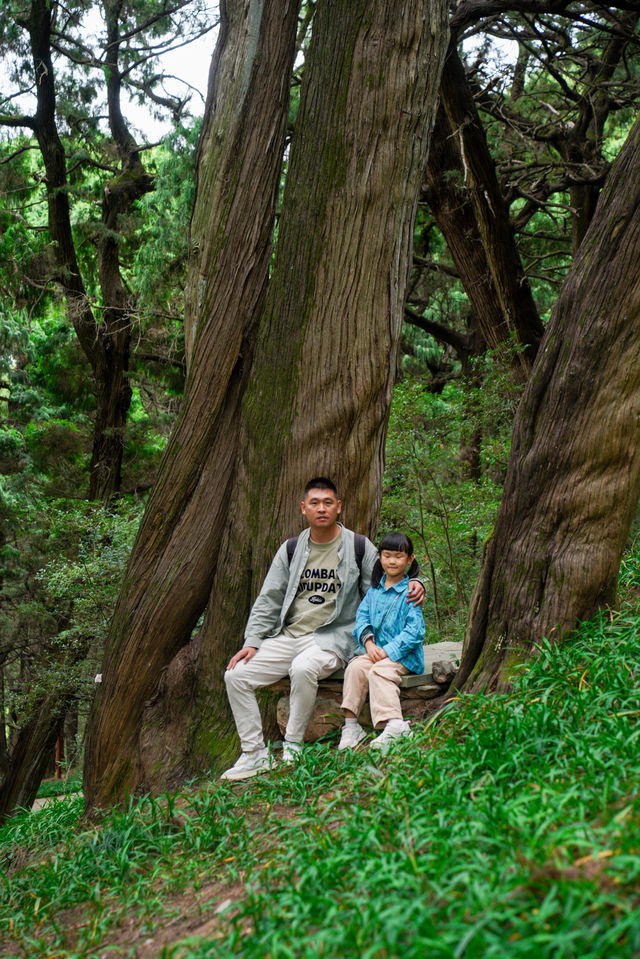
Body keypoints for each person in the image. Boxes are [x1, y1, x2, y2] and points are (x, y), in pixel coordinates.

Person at [221, 478, 424, 781]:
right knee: (235, 676)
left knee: (303, 668)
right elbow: (270, 599)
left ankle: (292, 745)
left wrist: (420, 581)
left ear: (338, 507)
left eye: (328, 502)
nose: (321, 508)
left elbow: (389, 576)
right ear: (303, 508)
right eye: (314, 503)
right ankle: (254, 754)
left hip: (332, 639)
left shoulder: (358, 546)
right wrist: (253, 641)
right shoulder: (291, 549)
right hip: (288, 636)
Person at [338, 531, 425, 754]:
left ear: (409, 559)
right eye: (387, 555)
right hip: (375, 652)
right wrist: (368, 644)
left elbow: (415, 632)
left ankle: (395, 724)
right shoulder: (374, 591)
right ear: (380, 558)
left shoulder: (410, 592)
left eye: (398, 556)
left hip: (403, 657)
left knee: (379, 671)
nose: (392, 561)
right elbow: (362, 619)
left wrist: (387, 651)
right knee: (356, 666)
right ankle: (351, 726)